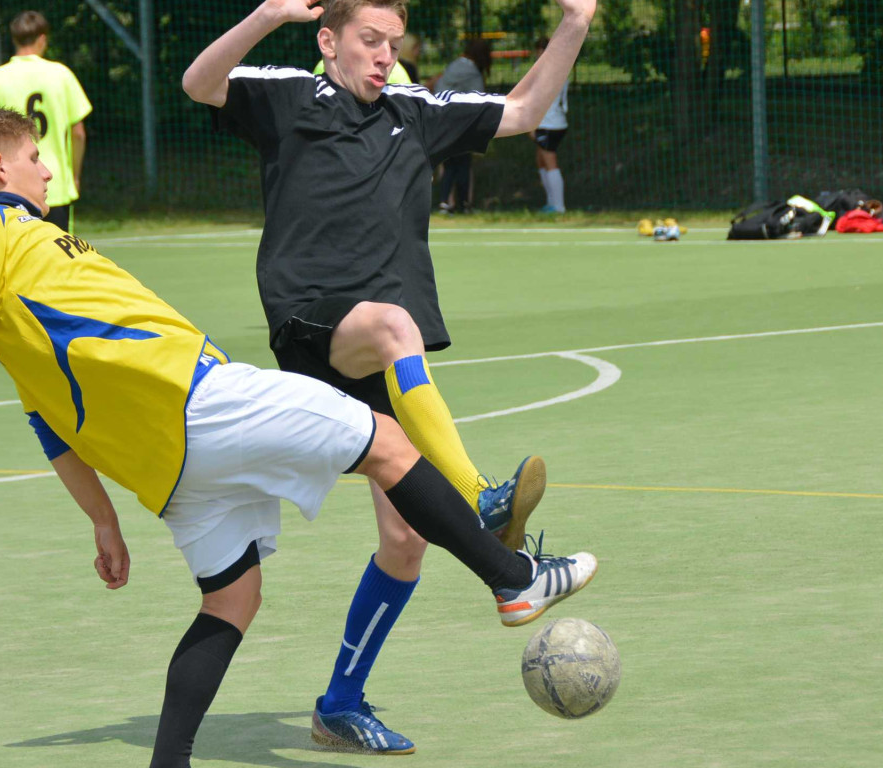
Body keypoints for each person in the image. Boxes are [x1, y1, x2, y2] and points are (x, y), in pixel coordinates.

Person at [0, 107, 597, 768]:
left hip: (169, 470)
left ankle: (168, 763)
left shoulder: (30, 265)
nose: (48, 167)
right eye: (35, 155)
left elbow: (48, 425)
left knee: (232, 598)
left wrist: (103, 521)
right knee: (383, 437)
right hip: (197, 401)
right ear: (0, 168)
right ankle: (514, 582)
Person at [182, 0, 595, 753]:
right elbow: (199, 82)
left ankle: (342, 701)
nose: (382, 55)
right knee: (394, 321)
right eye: (369, 40)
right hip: (315, 324)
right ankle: (481, 498)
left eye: (393, 43)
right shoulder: (288, 94)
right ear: (329, 39)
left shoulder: (418, 111)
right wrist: (267, 14)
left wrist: (576, 21)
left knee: (405, 541)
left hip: (378, 358)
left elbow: (528, 108)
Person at [0, 10, 91, 234]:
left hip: (10, 186)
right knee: (59, 258)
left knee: (16, 260)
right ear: (43, 39)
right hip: (54, 184)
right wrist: (74, 175)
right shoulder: (61, 75)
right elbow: (78, 134)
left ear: (14, 39)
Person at [433, 37, 492, 214]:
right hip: (459, 122)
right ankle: (464, 204)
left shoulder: (455, 65)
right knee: (463, 164)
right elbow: (479, 98)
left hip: (441, 120)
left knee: (450, 164)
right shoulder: (471, 70)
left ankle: (445, 202)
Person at [531, 36, 569, 214]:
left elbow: (539, 100)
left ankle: (558, 206)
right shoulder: (560, 67)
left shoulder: (548, 71)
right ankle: (551, 202)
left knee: (549, 161)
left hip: (549, 123)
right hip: (555, 121)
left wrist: (531, 124)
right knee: (541, 160)